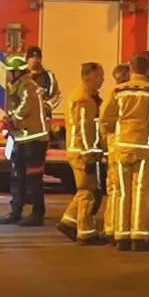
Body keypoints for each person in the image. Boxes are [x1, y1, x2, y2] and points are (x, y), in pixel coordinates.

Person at [102, 52, 149, 251]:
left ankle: (121, 235)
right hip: (145, 148)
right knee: (142, 191)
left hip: (122, 147)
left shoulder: (118, 91)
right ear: (148, 70)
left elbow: (107, 118)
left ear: (131, 70)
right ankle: (138, 236)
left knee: (123, 191)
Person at [3, 46, 60, 226]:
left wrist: (13, 118)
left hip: (34, 139)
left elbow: (25, 107)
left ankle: (37, 213)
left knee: (33, 177)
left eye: (10, 72)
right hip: (22, 137)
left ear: (16, 72)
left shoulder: (28, 85)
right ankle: (16, 210)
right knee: (17, 174)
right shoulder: (17, 85)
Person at [58, 62, 108, 243]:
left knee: (84, 190)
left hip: (79, 150)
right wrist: (89, 155)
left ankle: (69, 222)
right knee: (88, 190)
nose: (102, 80)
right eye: (99, 76)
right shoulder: (84, 100)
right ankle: (86, 232)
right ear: (89, 77)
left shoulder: (83, 97)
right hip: (82, 152)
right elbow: (85, 129)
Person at [101, 63, 131, 240]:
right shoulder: (122, 94)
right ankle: (117, 227)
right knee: (121, 190)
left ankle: (111, 226)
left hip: (114, 146)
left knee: (114, 188)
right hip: (122, 145)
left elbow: (105, 120)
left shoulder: (114, 94)